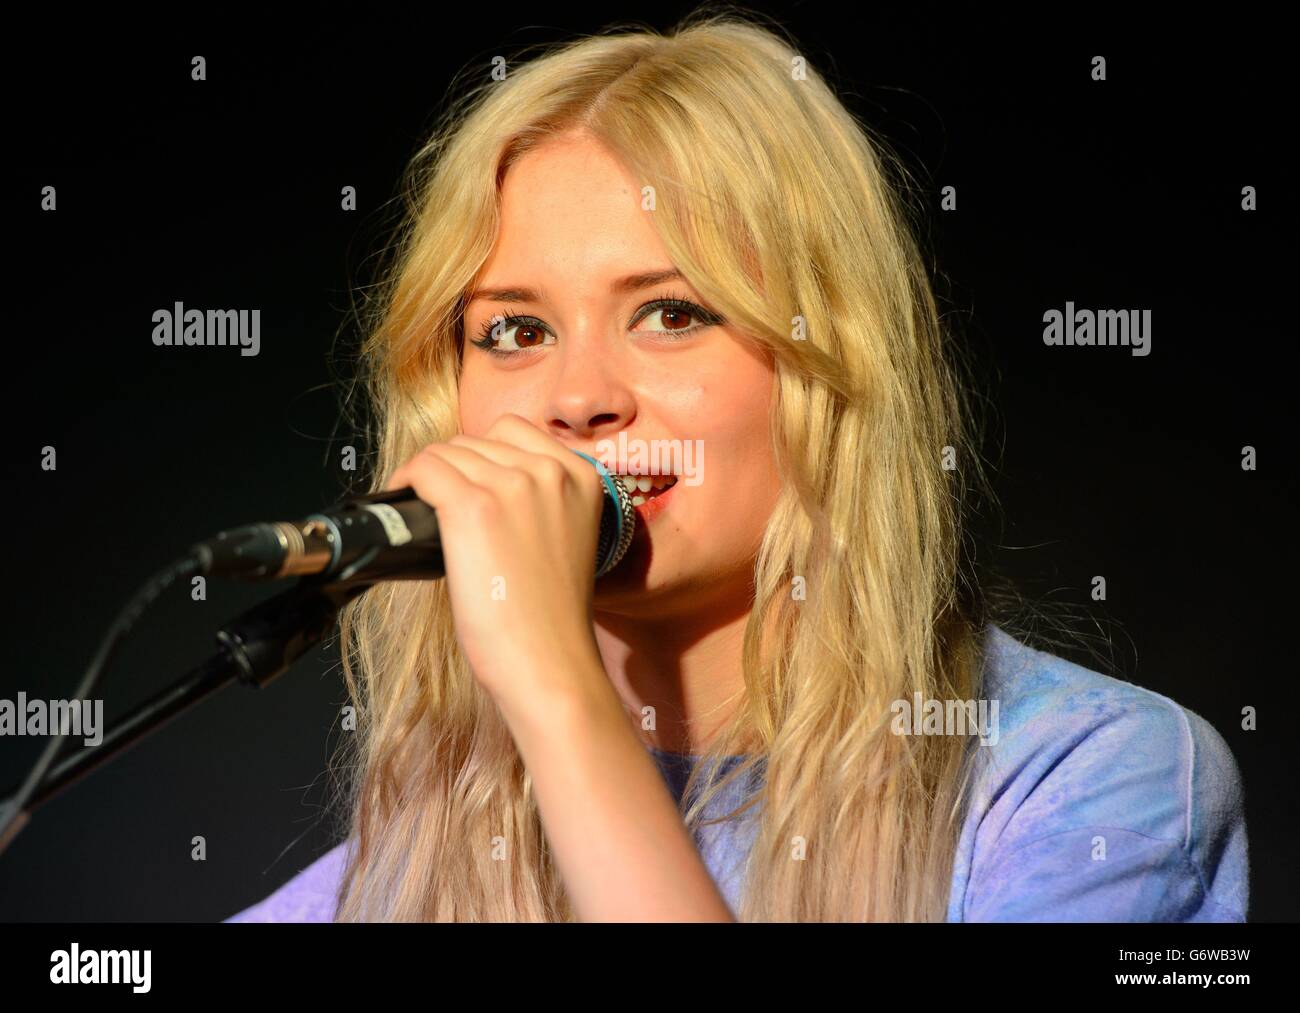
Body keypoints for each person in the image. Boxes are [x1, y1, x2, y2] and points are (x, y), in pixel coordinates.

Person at [225, 11, 1247, 922]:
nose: (578, 396)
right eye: (515, 329)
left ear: (828, 366)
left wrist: (556, 690)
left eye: (672, 313)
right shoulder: (396, 876)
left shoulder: (1091, 783)